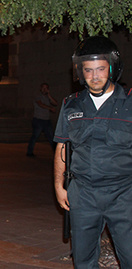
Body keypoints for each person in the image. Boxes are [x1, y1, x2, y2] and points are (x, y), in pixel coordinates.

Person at [54, 36, 132, 268]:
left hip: (124, 194)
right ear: (80, 71)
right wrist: (59, 186)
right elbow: (62, 147)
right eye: (88, 70)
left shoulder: (129, 103)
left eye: (100, 69)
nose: (94, 76)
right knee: (83, 259)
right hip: (84, 194)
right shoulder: (71, 104)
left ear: (112, 68)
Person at [26, 82, 57, 157]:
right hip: (38, 120)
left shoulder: (47, 97)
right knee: (35, 136)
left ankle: (56, 153)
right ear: (40, 89)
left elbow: (55, 103)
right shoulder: (38, 96)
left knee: (51, 137)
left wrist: (49, 95)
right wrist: (50, 108)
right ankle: (29, 152)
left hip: (46, 120)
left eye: (46, 88)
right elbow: (40, 104)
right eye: (43, 88)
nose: (44, 89)